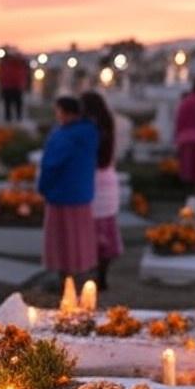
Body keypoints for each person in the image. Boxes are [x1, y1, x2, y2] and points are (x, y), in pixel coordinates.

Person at [37, 96, 99, 284]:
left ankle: (65, 277)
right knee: (79, 237)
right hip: (82, 192)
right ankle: (80, 270)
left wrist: (43, 186)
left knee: (62, 239)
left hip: (61, 192)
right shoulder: (90, 132)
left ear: (65, 112)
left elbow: (52, 164)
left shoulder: (63, 135)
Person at [80, 91, 123, 290]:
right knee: (106, 233)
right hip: (109, 181)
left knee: (89, 233)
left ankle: (89, 273)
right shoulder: (108, 124)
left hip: (91, 182)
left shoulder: (87, 129)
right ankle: (102, 276)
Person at [0, 50, 29, 122]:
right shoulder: (8, 64)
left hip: (14, 87)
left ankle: (16, 118)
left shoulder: (18, 63)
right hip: (9, 87)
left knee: (15, 104)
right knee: (9, 104)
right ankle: (11, 119)